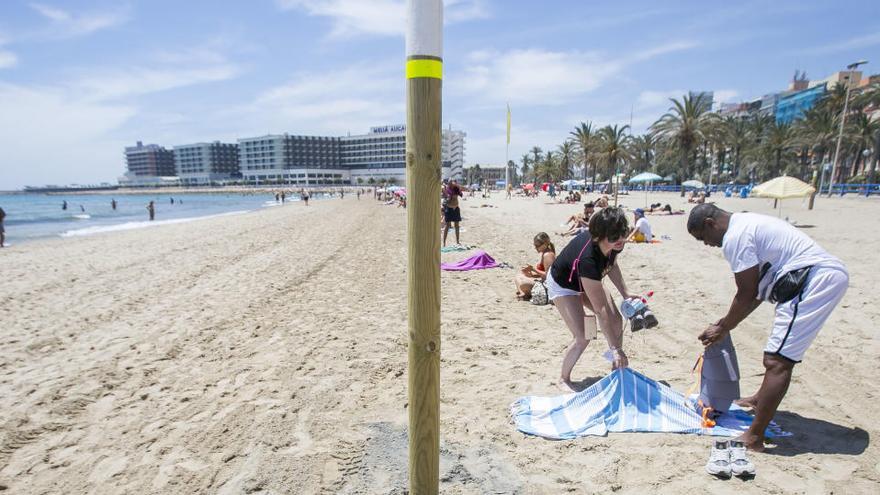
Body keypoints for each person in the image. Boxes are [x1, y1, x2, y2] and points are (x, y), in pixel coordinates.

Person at [687, 204, 849, 452]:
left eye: (703, 238)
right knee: (777, 356)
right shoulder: (746, 223)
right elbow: (757, 295)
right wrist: (724, 324)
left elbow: (746, 292)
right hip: (809, 278)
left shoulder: (735, 237)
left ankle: (754, 436)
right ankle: (760, 399)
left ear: (710, 223)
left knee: (777, 361)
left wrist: (725, 327)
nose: (706, 244)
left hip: (813, 281)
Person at [546, 207, 640, 390]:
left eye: (623, 233)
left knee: (616, 319)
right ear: (599, 236)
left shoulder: (613, 243)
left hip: (585, 280)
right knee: (584, 336)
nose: (620, 240)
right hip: (565, 285)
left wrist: (625, 293)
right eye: (614, 237)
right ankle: (563, 379)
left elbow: (611, 265)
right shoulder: (588, 259)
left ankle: (616, 367)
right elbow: (600, 310)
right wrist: (615, 348)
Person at [514, 232, 557, 300]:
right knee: (519, 275)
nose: (536, 247)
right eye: (535, 245)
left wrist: (533, 269)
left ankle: (524, 292)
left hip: (547, 285)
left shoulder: (548, 255)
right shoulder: (544, 253)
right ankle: (523, 292)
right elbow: (543, 273)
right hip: (543, 281)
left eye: (538, 245)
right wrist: (532, 274)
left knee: (523, 284)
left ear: (545, 244)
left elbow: (549, 276)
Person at [442, 179, 463, 246]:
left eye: (452, 183)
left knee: (456, 225)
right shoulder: (447, 189)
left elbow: (461, 194)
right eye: (450, 183)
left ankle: (457, 241)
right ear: (448, 184)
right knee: (447, 225)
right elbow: (447, 199)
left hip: (456, 208)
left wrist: (458, 188)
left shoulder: (456, 188)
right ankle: (444, 242)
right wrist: (448, 197)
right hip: (449, 208)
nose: (451, 184)